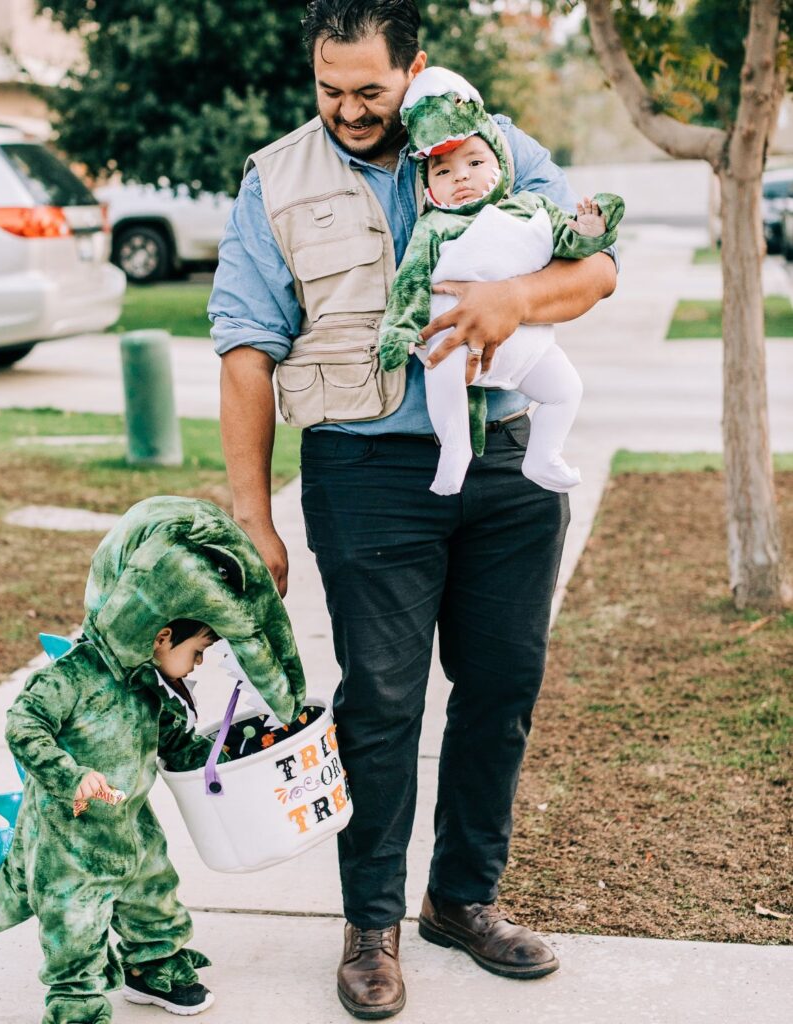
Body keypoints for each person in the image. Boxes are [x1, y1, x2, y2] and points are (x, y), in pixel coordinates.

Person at [210, 1, 618, 1018]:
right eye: (327, 88)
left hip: (508, 466)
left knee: (501, 686)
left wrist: (517, 302)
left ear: (415, 69)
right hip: (364, 472)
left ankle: (462, 899)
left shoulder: (497, 147)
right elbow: (245, 353)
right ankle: (370, 926)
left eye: (369, 90)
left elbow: (599, 265)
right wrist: (252, 515)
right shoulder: (275, 180)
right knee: (382, 701)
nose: (346, 109)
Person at [0, 496, 307, 1024]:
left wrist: (223, 759)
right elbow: (23, 723)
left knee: (154, 898)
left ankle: (151, 967)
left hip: (130, 824)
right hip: (69, 840)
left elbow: (174, 741)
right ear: (161, 636)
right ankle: (75, 1001)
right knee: (77, 923)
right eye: (197, 651)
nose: (199, 662)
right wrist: (71, 777)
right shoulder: (72, 677)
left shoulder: (146, 684)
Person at [380, 66, 624, 495]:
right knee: (443, 374)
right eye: (443, 171)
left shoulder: (532, 207)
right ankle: (455, 448)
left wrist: (590, 227)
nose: (461, 177)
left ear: (500, 162)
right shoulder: (433, 228)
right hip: (449, 340)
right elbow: (410, 283)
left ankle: (544, 454)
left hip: (526, 347)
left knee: (566, 389)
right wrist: (399, 332)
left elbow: (572, 244)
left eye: (475, 163)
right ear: (429, 187)